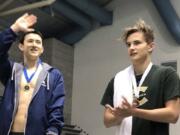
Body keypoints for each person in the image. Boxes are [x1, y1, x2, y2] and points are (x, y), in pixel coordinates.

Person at [101, 19, 180, 135]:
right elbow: (107, 121)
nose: (131, 48)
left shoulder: (167, 74)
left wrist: (134, 112)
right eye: (128, 44)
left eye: (137, 43)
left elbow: (173, 115)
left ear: (150, 47)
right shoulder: (118, 79)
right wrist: (120, 115)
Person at [0, 13, 65, 135]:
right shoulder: (11, 70)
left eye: (38, 42)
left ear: (42, 49)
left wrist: (53, 131)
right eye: (30, 41)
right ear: (21, 46)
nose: (34, 44)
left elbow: (57, 108)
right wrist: (14, 29)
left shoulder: (53, 75)